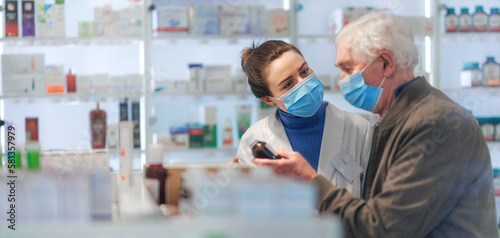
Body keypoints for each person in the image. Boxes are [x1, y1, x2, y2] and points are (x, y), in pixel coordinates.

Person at [253, 11, 498, 237]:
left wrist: (310, 181)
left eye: (348, 68)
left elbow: (383, 228)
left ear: (386, 63)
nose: (341, 81)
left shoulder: (434, 124)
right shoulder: (395, 120)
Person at [235, 40, 373, 198]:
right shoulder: (254, 142)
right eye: (288, 84)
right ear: (269, 100)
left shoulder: (358, 129)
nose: (303, 83)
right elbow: (252, 208)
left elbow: (374, 204)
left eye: (304, 71)